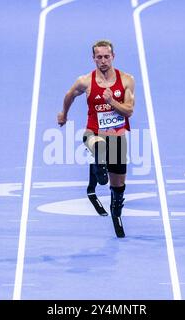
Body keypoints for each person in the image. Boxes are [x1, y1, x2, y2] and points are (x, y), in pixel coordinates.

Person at [57, 40, 135, 238]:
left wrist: (111, 101)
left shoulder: (126, 80)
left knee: (118, 187)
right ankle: (98, 163)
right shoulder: (86, 81)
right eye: (98, 57)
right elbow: (70, 94)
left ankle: (116, 214)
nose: (103, 61)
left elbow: (129, 111)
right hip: (94, 133)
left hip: (117, 138)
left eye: (106, 56)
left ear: (113, 57)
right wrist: (64, 114)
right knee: (98, 147)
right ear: (93, 59)